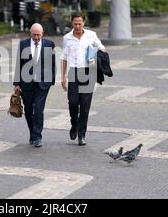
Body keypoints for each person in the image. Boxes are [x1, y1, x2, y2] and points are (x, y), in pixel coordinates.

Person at [61, 12, 105, 146]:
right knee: (73, 103)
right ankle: (74, 124)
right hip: (73, 72)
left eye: (80, 23)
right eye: (75, 24)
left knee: (85, 107)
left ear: (83, 23)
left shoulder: (91, 35)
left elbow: (102, 48)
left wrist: (94, 54)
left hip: (88, 72)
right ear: (71, 23)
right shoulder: (67, 38)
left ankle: (82, 135)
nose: (78, 26)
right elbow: (63, 57)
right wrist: (63, 77)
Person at [13, 23, 56, 147]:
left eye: (38, 35)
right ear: (30, 33)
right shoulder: (23, 45)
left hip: (43, 84)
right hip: (26, 83)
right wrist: (16, 83)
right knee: (28, 110)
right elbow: (19, 64)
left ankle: (37, 136)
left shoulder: (49, 44)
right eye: (34, 35)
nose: (36, 37)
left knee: (38, 109)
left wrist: (51, 80)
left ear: (42, 34)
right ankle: (32, 133)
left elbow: (52, 64)